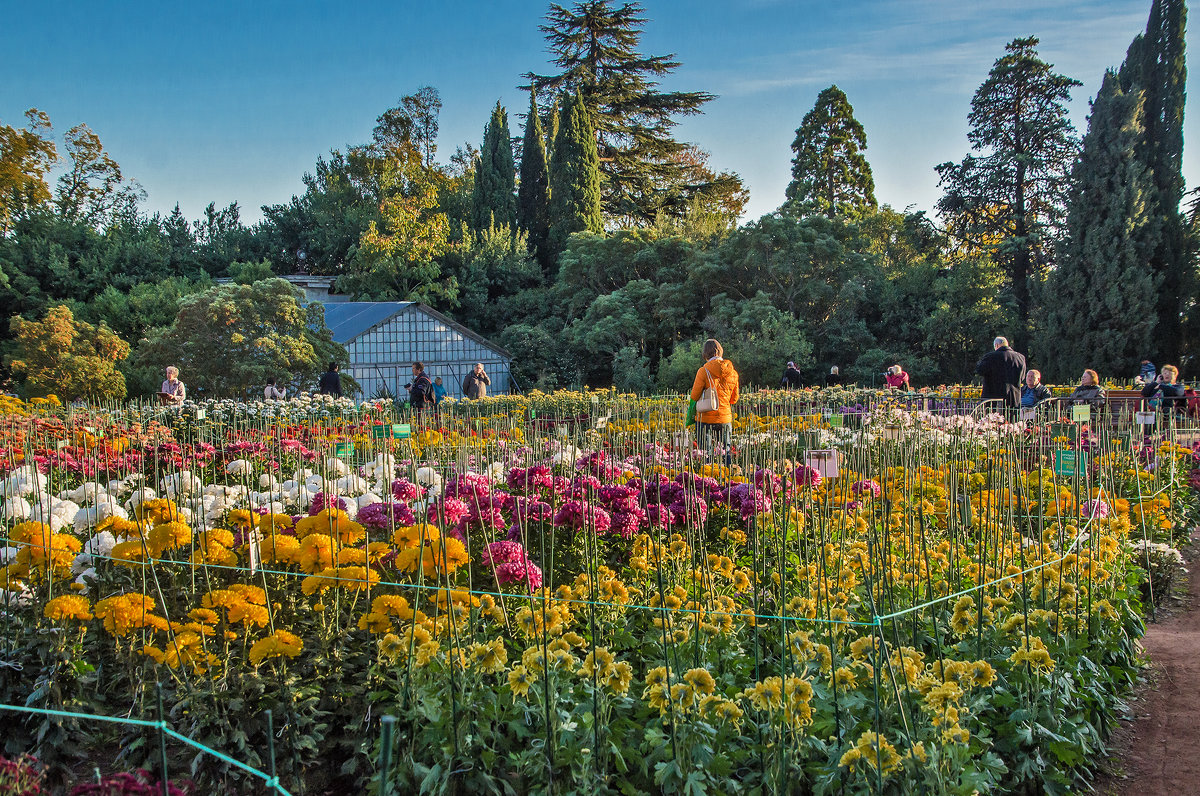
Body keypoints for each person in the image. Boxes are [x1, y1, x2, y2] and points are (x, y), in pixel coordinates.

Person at [690, 339, 740, 452]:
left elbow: (694, 395)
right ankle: (728, 469)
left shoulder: (703, 371)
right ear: (720, 351)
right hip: (724, 418)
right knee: (726, 452)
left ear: (705, 353)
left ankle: (708, 468)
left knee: (705, 454)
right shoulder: (733, 373)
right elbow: (734, 399)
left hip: (705, 419)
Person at [975, 337, 1026, 409]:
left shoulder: (991, 357)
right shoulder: (1020, 358)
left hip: (993, 397)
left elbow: (980, 370)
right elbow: (1022, 377)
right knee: (1012, 418)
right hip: (1013, 397)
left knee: (993, 419)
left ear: (996, 345)